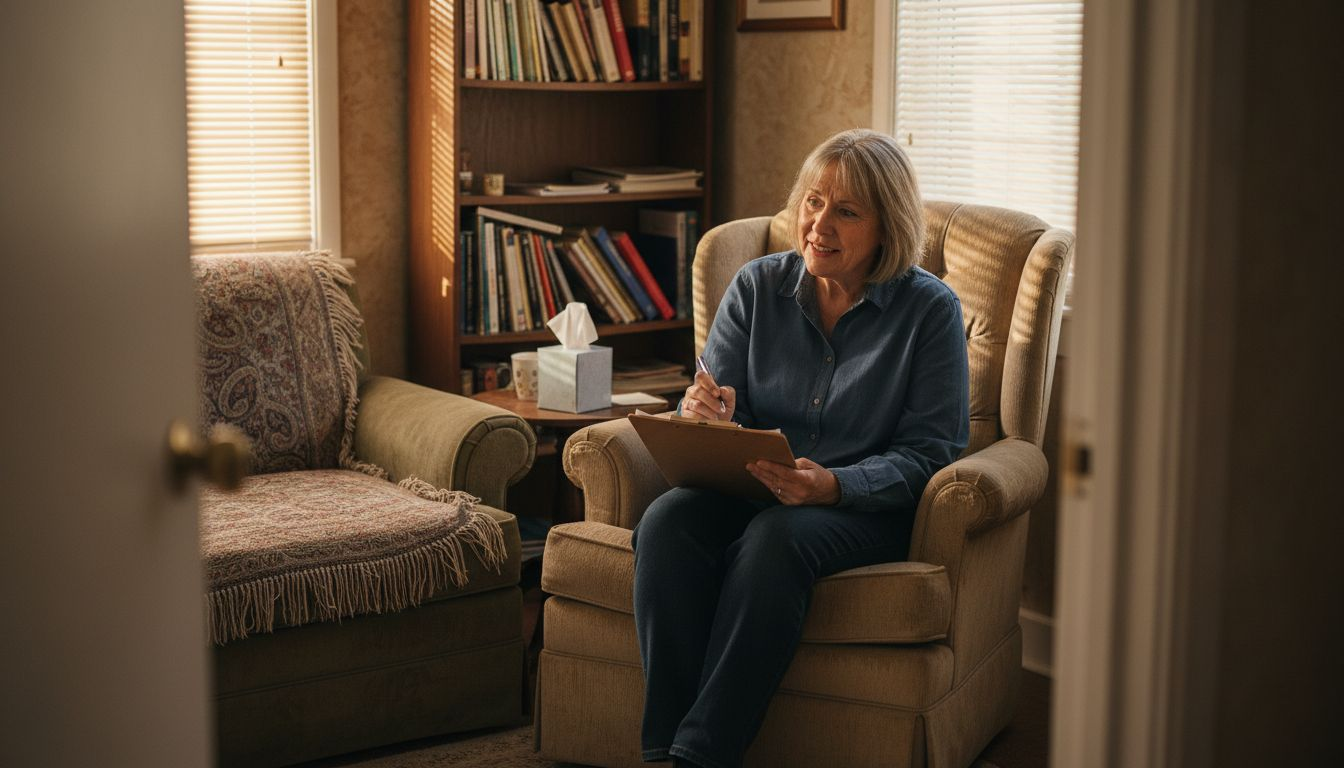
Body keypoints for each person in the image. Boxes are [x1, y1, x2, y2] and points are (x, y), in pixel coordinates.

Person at [630, 128, 971, 768]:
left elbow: (932, 453)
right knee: (667, 520)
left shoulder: (931, 312)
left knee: (778, 538)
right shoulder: (757, 286)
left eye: (846, 211)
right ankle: (661, 748)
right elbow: (716, 400)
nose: (818, 225)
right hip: (756, 487)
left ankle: (700, 756)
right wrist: (704, 415)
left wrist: (835, 485)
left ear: (886, 226)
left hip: (861, 509)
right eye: (813, 202)